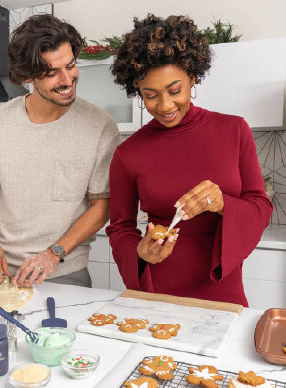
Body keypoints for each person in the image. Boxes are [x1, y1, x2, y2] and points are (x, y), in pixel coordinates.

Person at [106, 14, 273, 306]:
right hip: (156, 291)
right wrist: (140, 253)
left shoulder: (234, 130)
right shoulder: (128, 152)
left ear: (192, 77)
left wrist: (221, 203)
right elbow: (120, 227)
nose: (165, 105)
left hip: (221, 288)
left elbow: (260, 205)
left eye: (175, 91)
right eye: (150, 95)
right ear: (138, 92)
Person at [0, 14, 120, 288]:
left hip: (65, 272)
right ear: (29, 77)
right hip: (1, 273)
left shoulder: (100, 126)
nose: (67, 79)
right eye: (51, 73)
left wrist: (52, 253)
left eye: (70, 66)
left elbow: (102, 205)